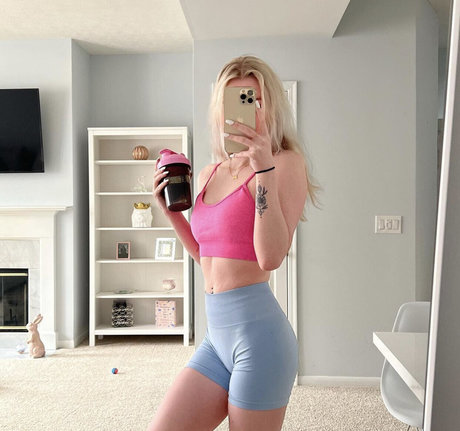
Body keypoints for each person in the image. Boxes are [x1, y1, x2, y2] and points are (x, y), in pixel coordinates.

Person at [148, 55, 321, 431]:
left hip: (260, 342)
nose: (243, 111)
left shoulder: (285, 163)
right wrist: (171, 213)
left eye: (252, 100)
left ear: (269, 107)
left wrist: (263, 171)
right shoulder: (210, 172)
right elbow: (206, 256)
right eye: (233, 101)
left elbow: (271, 257)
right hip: (217, 339)